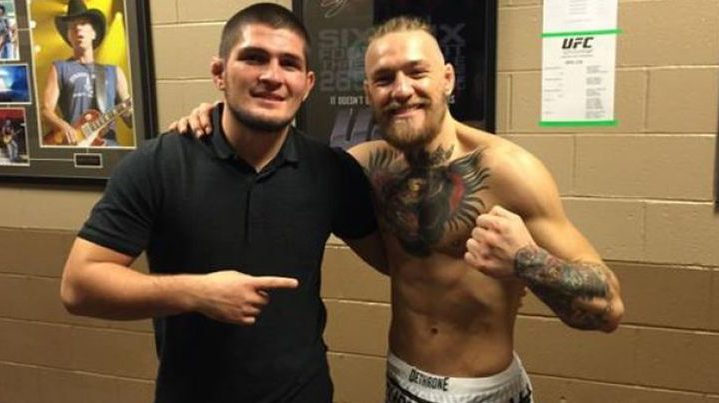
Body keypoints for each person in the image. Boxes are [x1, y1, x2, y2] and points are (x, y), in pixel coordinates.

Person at [174, 16, 625, 403]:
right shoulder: (361, 166)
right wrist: (216, 119)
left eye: (416, 72)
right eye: (385, 78)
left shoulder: (508, 171)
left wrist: (525, 260)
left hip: (484, 391)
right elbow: (271, 148)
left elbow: (608, 309)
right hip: (401, 382)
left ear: (447, 79)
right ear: (369, 92)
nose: (402, 90)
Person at [60, 3, 386, 403]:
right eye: (254, 58)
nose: (272, 76)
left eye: (288, 63)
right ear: (219, 73)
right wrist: (197, 292)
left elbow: (399, 262)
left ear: (307, 84)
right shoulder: (158, 165)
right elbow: (79, 285)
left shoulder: (330, 171)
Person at [41, 0, 131, 147]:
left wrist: (129, 111)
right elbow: (46, 111)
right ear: (69, 36)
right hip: (74, 147)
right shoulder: (59, 67)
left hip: (107, 147)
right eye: (72, 26)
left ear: (94, 33)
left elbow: (131, 121)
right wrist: (64, 127)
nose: (78, 29)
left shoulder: (114, 72)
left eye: (83, 24)